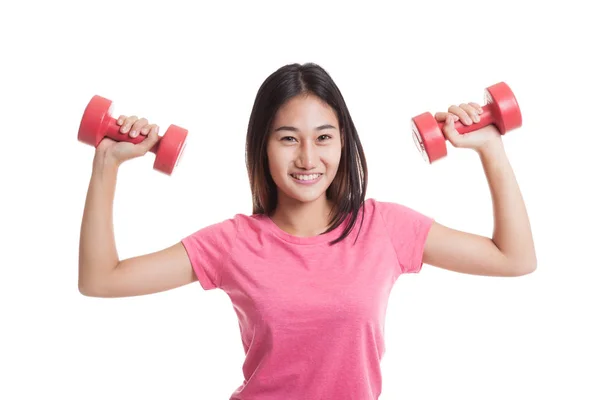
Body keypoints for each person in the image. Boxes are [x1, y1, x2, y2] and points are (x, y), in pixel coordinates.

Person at [78, 62, 537, 399]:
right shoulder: (233, 243)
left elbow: (514, 259)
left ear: (343, 141)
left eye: (323, 137)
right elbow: (102, 279)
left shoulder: (384, 228)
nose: (307, 159)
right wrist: (107, 164)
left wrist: (489, 147)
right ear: (263, 146)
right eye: (288, 138)